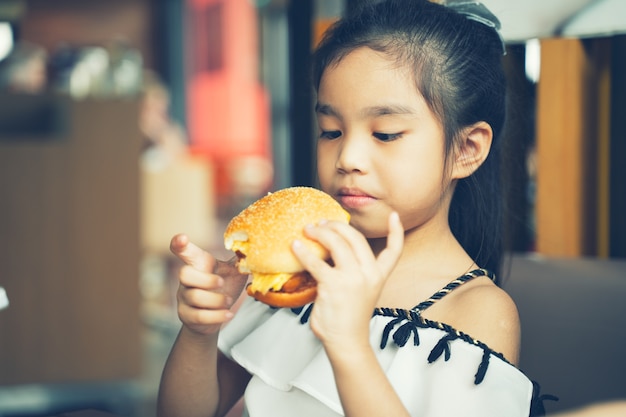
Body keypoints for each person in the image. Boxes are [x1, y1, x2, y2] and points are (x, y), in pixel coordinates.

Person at [157, 1, 545, 416]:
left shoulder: (479, 310)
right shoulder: (299, 273)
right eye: (331, 131)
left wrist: (350, 346)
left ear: (467, 150)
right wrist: (200, 332)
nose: (348, 157)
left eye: (386, 133)